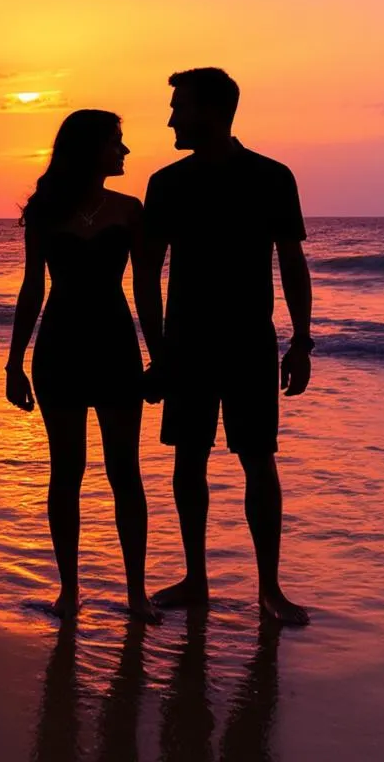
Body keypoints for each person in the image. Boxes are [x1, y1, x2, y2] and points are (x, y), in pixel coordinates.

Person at [141, 68, 313, 625]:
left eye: (180, 107)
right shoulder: (166, 183)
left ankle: (270, 588)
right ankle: (196, 578)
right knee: (188, 459)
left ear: (212, 111)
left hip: (249, 343)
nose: (171, 117)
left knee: (258, 460)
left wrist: (302, 340)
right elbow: (144, 274)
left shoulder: (271, 177)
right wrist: (158, 351)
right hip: (187, 343)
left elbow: (292, 261)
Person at [5, 110, 162, 621]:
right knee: (65, 472)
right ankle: (69, 590)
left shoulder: (130, 210)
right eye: (117, 142)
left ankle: (136, 592)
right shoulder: (45, 210)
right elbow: (33, 287)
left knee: (125, 472)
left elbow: (144, 289)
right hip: (60, 348)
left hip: (116, 347)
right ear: (90, 148)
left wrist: (159, 357)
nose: (125, 151)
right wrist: (14, 362)